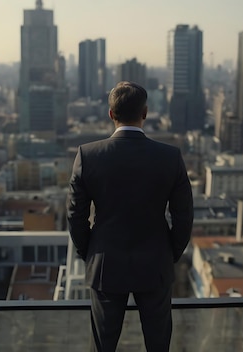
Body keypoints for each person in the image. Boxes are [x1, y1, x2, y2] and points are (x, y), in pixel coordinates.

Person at [67, 81, 194, 352]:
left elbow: (76, 216)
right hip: (155, 262)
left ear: (111, 114)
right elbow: (183, 217)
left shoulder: (87, 156)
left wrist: (90, 252)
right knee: (158, 345)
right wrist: (168, 253)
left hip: (105, 263)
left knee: (103, 345)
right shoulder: (170, 157)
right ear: (145, 113)